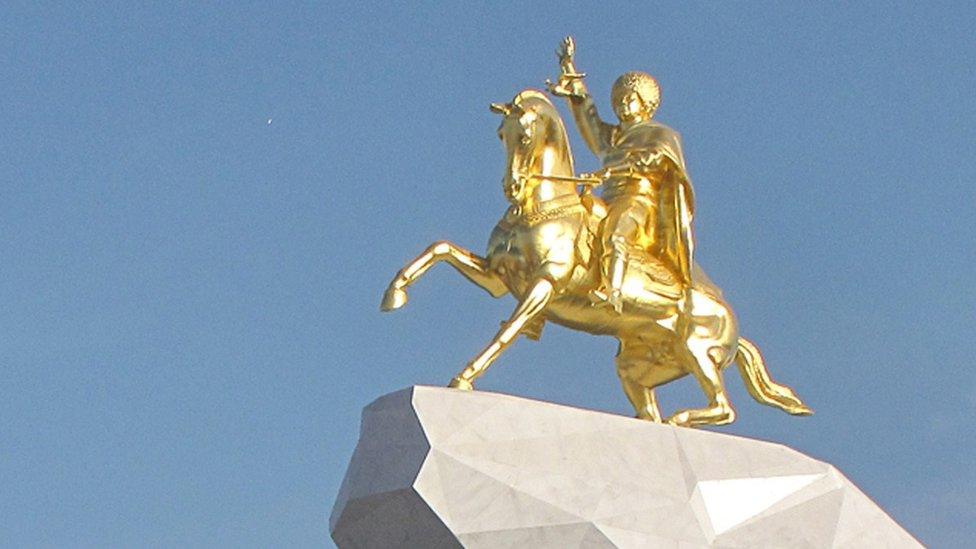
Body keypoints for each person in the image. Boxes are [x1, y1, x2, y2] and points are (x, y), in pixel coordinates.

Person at [547, 37, 697, 313]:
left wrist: (615, 169)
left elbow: (652, 159)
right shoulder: (614, 137)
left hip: (638, 201)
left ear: (645, 103)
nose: (622, 104)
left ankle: (612, 291)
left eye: (630, 98)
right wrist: (570, 75)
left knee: (615, 235)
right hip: (607, 198)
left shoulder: (661, 135)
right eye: (618, 100)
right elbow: (589, 120)